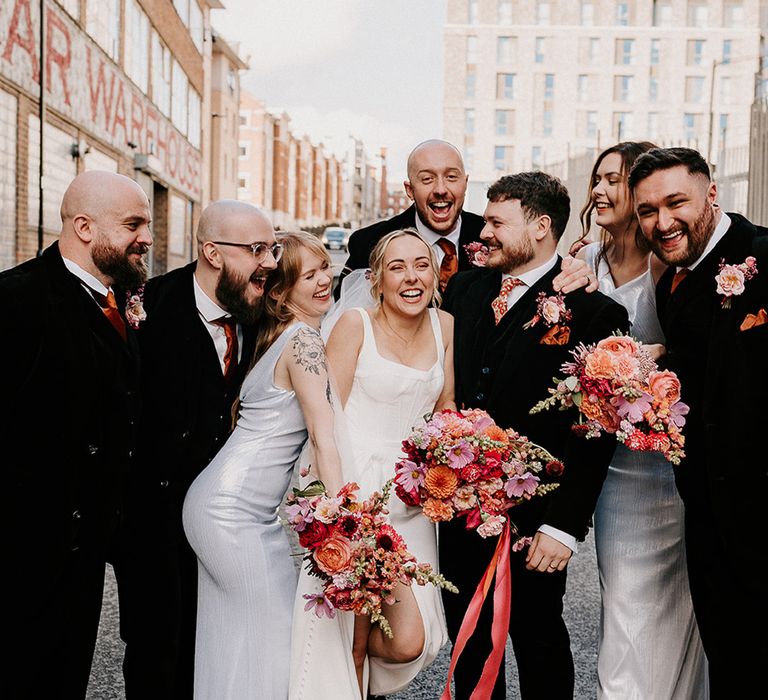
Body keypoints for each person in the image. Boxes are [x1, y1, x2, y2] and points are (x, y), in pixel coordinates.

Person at [440, 171, 629, 699]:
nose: (484, 232)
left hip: (536, 514)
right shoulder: (466, 287)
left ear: (542, 226)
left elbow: (597, 430)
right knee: (468, 636)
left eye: (498, 222)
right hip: (456, 501)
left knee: (538, 636)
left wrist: (565, 526)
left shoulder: (596, 312)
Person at [111, 200, 277, 698]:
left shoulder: (262, 314)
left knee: (222, 648)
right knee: (159, 653)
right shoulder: (145, 309)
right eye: (256, 249)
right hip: (155, 526)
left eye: (272, 248)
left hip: (232, 522)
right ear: (212, 252)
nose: (269, 262)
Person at [0, 171, 152, 699]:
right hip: (23, 555)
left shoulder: (118, 299)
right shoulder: (17, 301)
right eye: (133, 224)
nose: (147, 238)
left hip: (83, 555)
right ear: (84, 227)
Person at [289, 229, 455, 699]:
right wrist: (337, 507)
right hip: (356, 490)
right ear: (376, 278)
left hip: (412, 497)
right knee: (351, 636)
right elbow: (327, 417)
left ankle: (343, 677)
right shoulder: (355, 325)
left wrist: (465, 469)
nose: (411, 276)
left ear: (436, 274)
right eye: (397, 266)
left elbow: (446, 409)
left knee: (412, 640)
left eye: (421, 265)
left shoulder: (445, 326)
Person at [629, 146, 768, 699]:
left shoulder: (763, 255)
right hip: (709, 519)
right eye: (646, 211)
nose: (662, 223)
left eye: (675, 202)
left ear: (712, 193)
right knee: (731, 664)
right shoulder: (673, 287)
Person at [182, 231, 343, 699]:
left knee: (232, 638)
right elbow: (322, 434)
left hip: (227, 506)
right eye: (307, 275)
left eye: (324, 269)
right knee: (274, 635)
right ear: (280, 291)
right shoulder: (303, 343)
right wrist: (346, 516)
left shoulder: (280, 340)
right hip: (233, 513)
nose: (323, 280)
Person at [575, 142, 708, 699]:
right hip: (615, 471)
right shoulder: (583, 262)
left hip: (670, 463)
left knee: (685, 609)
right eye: (596, 180)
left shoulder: (667, 263)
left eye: (614, 181)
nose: (600, 191)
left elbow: (696, 352)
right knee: (624, 601)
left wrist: (652, 364)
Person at [339, 139, 597, 299]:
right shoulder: (370, 242)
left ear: (465, 183)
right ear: (409, 189)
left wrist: (576, 270)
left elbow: (535, 262)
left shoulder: (492, 236)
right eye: (427, 179)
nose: (441, 189)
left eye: (451, 177)